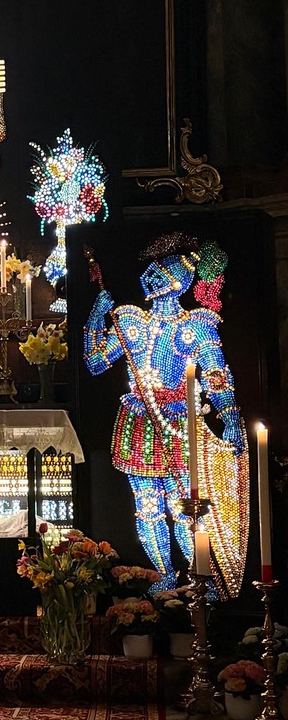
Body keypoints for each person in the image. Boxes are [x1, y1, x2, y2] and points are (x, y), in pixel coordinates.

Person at [83, 232, 248, 598]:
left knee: (185, 507)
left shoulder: (195, 326)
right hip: (139, 423)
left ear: (177, 282)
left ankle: (202, 578)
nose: (151, 277)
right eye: (152, 271)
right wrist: (96, 316)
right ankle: (164, 577)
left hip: (178, 424)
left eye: (160, 272)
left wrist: (230, 417)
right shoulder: (131, 322)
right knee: (148, 507)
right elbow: (95, 362)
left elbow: (216, 376)